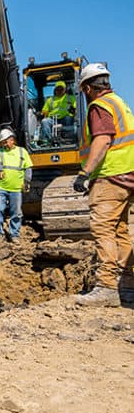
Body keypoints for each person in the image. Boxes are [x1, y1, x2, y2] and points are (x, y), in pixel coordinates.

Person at [73, 62, 134, 307]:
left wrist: (84, 173)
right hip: (127, 174)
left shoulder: (98, 107)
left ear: (88, 89)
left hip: (110, 175)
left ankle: (107, 287)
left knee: (104, 230)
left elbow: (103, 140)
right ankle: (127, 287)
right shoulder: (120, 103)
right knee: (120, 230)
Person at [0, 128, 33, 244]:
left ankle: (14, 234)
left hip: (16, 189)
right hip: (1, 187)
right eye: (2, 142)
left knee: (16, 213)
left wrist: (27, 181)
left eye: (6, 141)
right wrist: (0, 170)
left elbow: (28, 167)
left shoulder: (22, 151)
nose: (4, 144)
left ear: (12, 140)